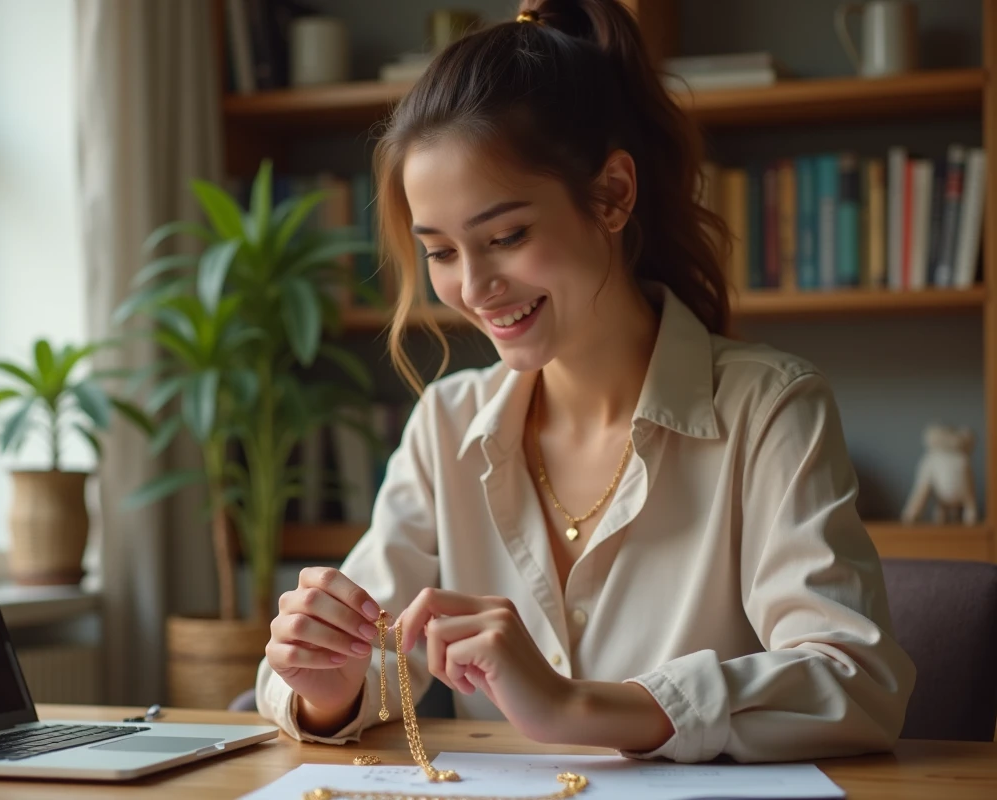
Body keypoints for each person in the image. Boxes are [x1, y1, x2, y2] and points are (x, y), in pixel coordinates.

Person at [255, 0, 915, 763]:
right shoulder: (445, 425)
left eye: (506, 237)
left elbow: (856, 682)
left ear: (611, 194)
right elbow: (356, 663)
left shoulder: (769, 409)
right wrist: (327, 681)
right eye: (439, 252)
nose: (475, 287)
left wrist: (573, 705)